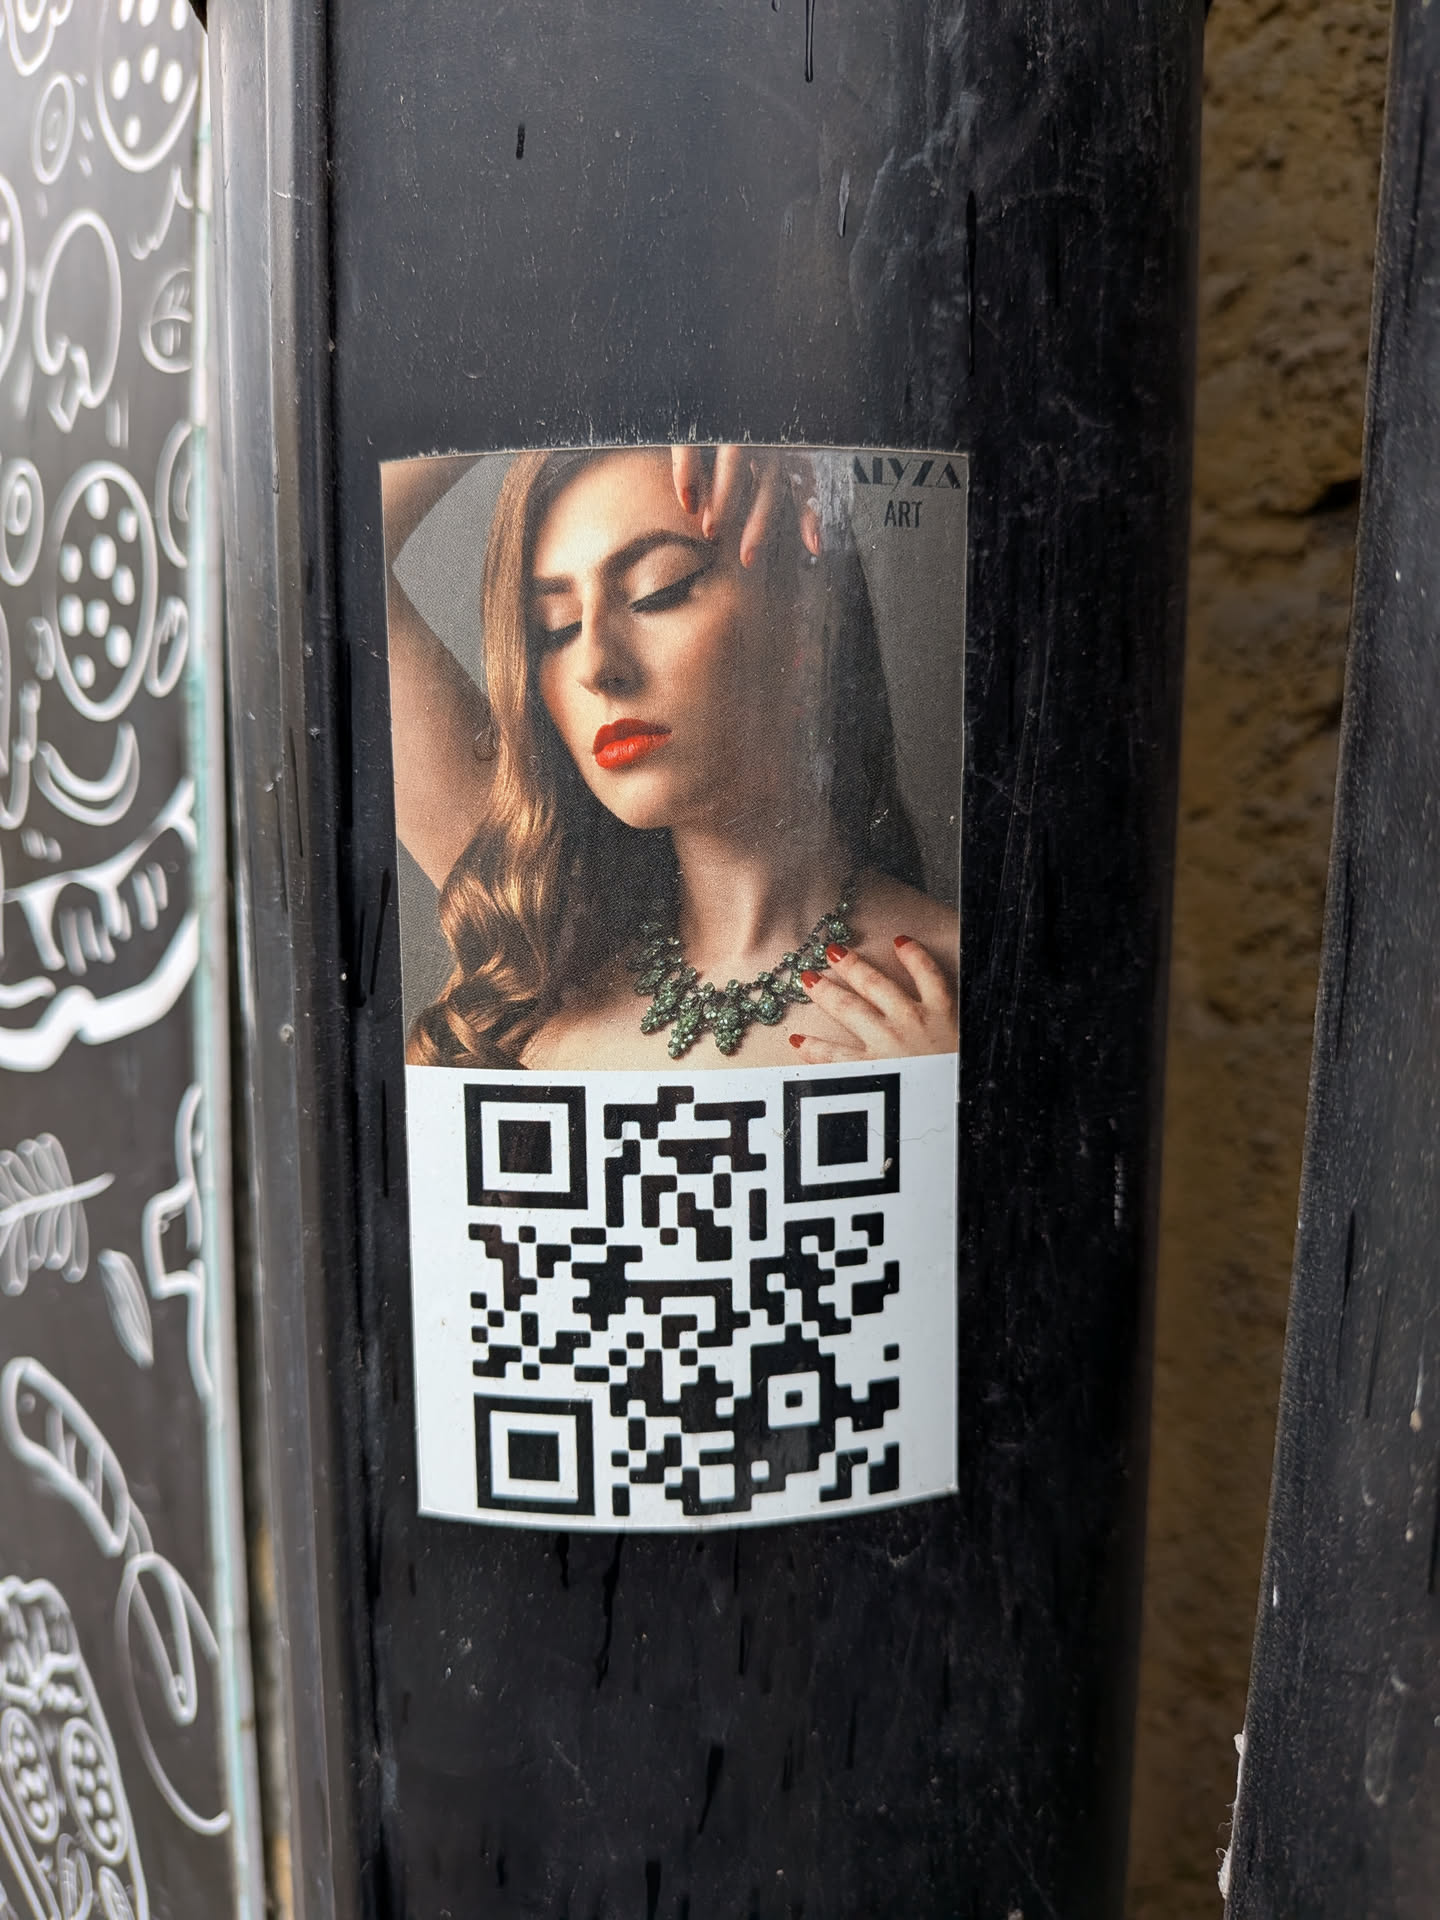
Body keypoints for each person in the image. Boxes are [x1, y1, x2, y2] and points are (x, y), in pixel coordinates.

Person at [388, 445, 957, 1071]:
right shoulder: (545, 938)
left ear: (807, 623)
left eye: (660, 592)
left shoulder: (953, 982)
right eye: (554, 628)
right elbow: (324, 565)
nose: (595, 667)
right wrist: (656, 389)